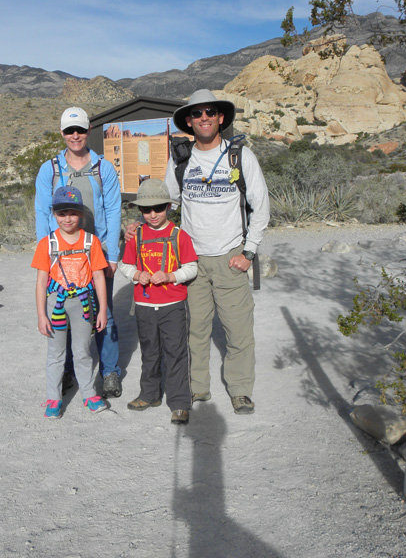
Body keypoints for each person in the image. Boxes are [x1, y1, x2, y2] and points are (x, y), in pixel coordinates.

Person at [166, 89, 270, 415]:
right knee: (195, 329)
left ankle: (239, 390)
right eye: (197, 114)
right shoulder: (181, 160)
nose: (204, 117)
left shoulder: (241, 157)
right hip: (192, 260)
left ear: (220, 117)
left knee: (238, 329)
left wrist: (249, 253)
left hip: (230, 257)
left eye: (210, 111)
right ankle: (198, 389)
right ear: (190, 121)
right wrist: (140, 226)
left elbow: (261, 207)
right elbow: (167, 203)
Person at [34, 107, 123, 399]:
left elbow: (112, 209)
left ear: (88, 131)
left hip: (95, 252)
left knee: (103, 312)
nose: (76, 136)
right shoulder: (51, 169)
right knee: (65, 312)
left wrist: (112, 254)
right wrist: (46, 252)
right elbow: (42, 210)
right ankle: (69, 371)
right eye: (70, 131)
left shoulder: (103, 167)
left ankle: (109, 372)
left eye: (81, 130)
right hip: (60, 256)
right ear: (62, 133)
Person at [119, 179, 198, 425]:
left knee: (176, 353)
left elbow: (192, 267)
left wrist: (171, 276)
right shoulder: (135, 236)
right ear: (139, 211)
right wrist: (135, 275)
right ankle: (150, 394)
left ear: (168, 207)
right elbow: (125, 264)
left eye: (159, 208)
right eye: (146, 209)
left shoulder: (179, 236)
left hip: (173, 306)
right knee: (149, 351)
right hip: (144, 306)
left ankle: (180, 403)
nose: (153, 214)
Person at [31, 185, 109, 418]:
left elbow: (98, 277)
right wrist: (41, 315)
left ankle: (89, 394)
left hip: (83, 303)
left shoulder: (90, 242)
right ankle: (53, 398)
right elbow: (41, 280)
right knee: (55, 352)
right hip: (56, 303)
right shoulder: (47, 243)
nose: (67, 219)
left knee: (83, 350)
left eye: (72, 213)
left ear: (81, 214)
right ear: (54, 214)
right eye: (61, 213)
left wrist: (103, 310)